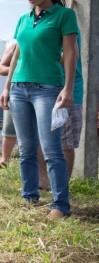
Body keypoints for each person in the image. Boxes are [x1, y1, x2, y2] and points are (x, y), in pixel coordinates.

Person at [0, 0, 78, 219]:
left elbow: (71, 53)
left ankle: (60, 205)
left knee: (52, 148)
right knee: (26, 148)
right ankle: (29, 196)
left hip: (47, 89)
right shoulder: (23, 19)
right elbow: (16, 55)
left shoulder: (64, 15)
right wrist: (7, 86)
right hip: (19, 88)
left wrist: (68, 88)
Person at [38, 34, 84, 185]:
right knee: (39, 137)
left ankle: (61, 187)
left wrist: (39, 58)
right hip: (41, 88)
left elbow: (70, 55)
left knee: (65, 143)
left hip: (67, 92)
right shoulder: (37, 25)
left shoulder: (68, 25)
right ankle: (42, 180)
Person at [0, 41, 18, 168]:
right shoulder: (14, 45)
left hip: (44, 89)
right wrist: (19, 68)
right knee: (9, 128)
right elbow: (0, 68)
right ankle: (4, 160)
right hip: (15, 89)